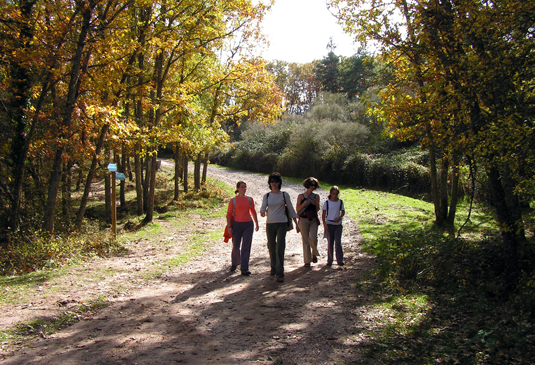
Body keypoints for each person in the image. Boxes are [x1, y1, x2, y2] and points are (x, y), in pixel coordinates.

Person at [260, 172, 298, 283]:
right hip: (270, 224)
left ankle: (280, 273)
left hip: (282, 223)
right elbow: (263, 207)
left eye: (276, 181)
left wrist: (296, 223)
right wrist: (262, 211)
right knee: (271, 246)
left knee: (280, 246)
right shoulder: (267, 196)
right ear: (269, 183)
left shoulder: (284, 195)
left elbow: (291, 210)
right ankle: (273, 267)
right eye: (272, 181)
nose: (274, 183)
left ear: (279, 183)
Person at [226, 181, 259, 276]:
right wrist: (229, 226)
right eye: (242, 187)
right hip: (237, 225)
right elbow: (228, 214)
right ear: (237, 188)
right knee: (236, 246)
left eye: (245, 187)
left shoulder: (249, 199)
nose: (244, 189)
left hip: (248, 224)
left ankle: (244, 268)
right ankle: (234, 263)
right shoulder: (233, 200)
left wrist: (256, 223)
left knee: (246, 246)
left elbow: (253, 211)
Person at [296, 177, 321, 267]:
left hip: (313, 219)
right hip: (303, 219)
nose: (313, 187)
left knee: (313, 238)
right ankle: (307, 261)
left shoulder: (316, 196)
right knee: (305, 240)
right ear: (307, 185)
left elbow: (317, 209)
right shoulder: (301, 196)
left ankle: (314, 254)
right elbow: (297, 209)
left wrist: (316, 204)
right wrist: (304, 204)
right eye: (311, 185)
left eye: (314, 185)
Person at [322, 186, 345, 267]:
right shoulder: (327, 203)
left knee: (338, 242)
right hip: (329, 224)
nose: (335, 195)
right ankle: (330, 260)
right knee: (330, 243)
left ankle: (340, 260)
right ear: (330, 193)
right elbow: (323, 214)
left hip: (338, 225)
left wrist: (340, 217)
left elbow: (342, 211)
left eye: (336, 194)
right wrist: (324, 224)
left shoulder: (340, 202)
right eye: (333, 193)